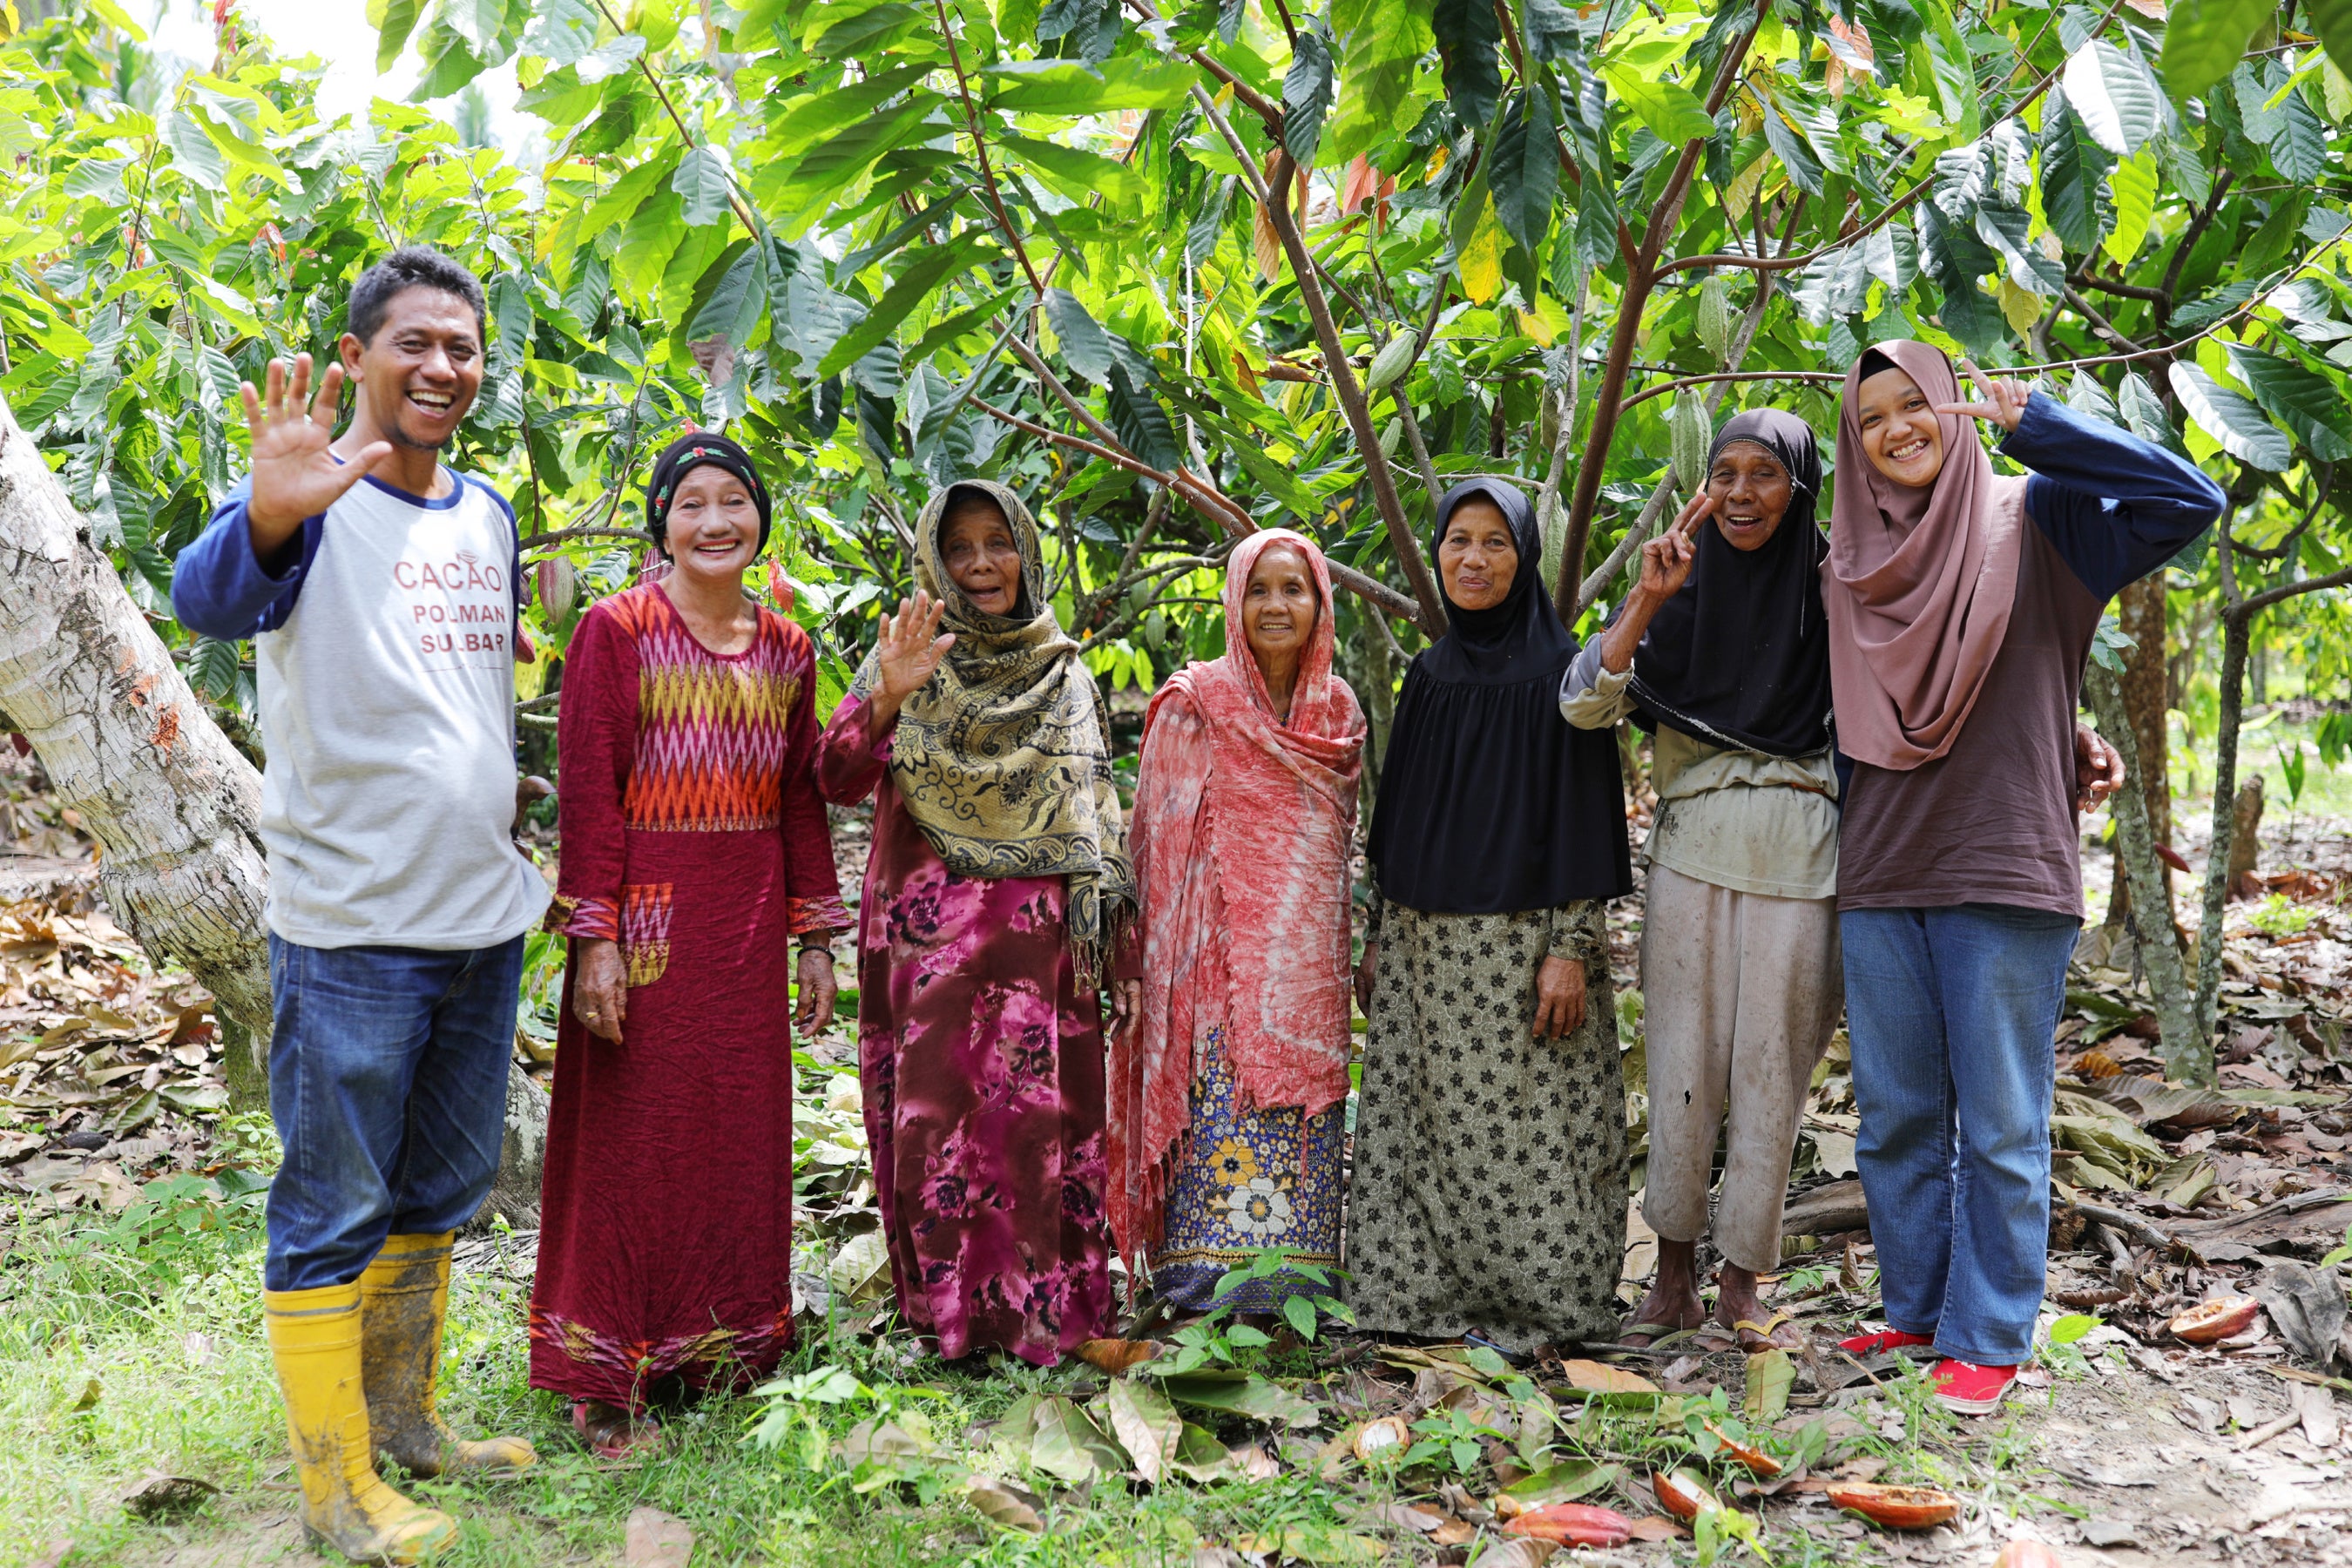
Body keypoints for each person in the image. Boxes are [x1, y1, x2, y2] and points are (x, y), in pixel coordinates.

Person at [170, 247, 544, 1564]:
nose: (443, 367)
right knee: (333, 1204)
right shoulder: (310, 502)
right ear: (358, 360)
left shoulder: (488, 513)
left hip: (477, 918)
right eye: (415, 345)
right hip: (351, 929)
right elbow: (210, 601)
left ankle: (409, 1428)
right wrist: (270, 515)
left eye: (464, 346)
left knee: (438, 1190)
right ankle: (334, 1496)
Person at [1822, 343, 2220, 1415]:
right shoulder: (1850, 563)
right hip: (1879, 867)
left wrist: (2036, 423)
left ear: (1956, 407)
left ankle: (1991, 1336)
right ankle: (1915, 1313)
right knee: (1896, 1117)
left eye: (1919, 403)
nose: (1898, 428)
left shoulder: (2037, 519)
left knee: (2000, 1120)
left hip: (2003, 862)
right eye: (1872, 418)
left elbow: (2189, 498)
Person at [529, 432, 849, 1455]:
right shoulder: (616, 632)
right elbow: (588, 794)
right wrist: (596, 938)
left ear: (761, 519)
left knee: (734, 1136)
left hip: (745, 927)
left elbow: (801, 803)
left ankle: (719, 1346)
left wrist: (814, 937)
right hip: (648, 923)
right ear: (661, 520)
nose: (716, 523)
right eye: (692, 505)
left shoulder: (789, 647)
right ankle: (604, 1372)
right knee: (632, 1142)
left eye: (735, 503)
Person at [814, 480, 1138, 1365]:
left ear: (1026, 553)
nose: (982, 564)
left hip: (1038, 948)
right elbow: (833, 776)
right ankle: (948, 1319)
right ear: (935, 561)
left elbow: (1098, 819)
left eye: (998, 542)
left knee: (1036, 1123)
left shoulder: (1062, 669)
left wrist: (1119, 951)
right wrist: (885, 694)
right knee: (937, 1123)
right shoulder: (907, 652)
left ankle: (1051, 1316)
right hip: (928, 945)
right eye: (960, 548)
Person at [1559, 411, 1843, 1352]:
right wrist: (1646, 598)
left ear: (1800, 488)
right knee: (1682, 1069)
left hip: (1805, 858)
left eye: (1765, 474)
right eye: (1724, 474)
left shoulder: (1837, 588)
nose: (1741, 493)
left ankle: (1742, 1284)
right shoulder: (1678, 591)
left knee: (1772, 1074)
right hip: (1694, 850)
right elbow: (1579, 704)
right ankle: (1670, 1277)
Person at [1347, 479, 1634, 1356]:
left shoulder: (1564, 676)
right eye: (1458, 542)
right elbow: (1396, 825)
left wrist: (1571, 951)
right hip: (1426, 953)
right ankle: (1422, 1306)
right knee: (1427, 1132)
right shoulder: (1427, 677)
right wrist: (1376, 942)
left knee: (1538, 1133)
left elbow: (1587, 819)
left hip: (1527, 952)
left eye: (1494, 543)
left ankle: (1545, 1312)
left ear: (1526, 556)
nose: (1472, 560)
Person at [1113, 530, 1366, 1315]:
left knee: (1302, 1119)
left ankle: (1298, 1295)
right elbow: (1156, 844)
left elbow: (1333, 848)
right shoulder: (1195, 705)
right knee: (1219, 1110)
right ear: (1234, 603)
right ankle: (1203, 1293)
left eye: (1294, 589)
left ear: (1320, 602)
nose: (1276, 606)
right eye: (1259, 589)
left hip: (1306, 972)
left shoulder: (1340, 712)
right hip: (1212, 966)